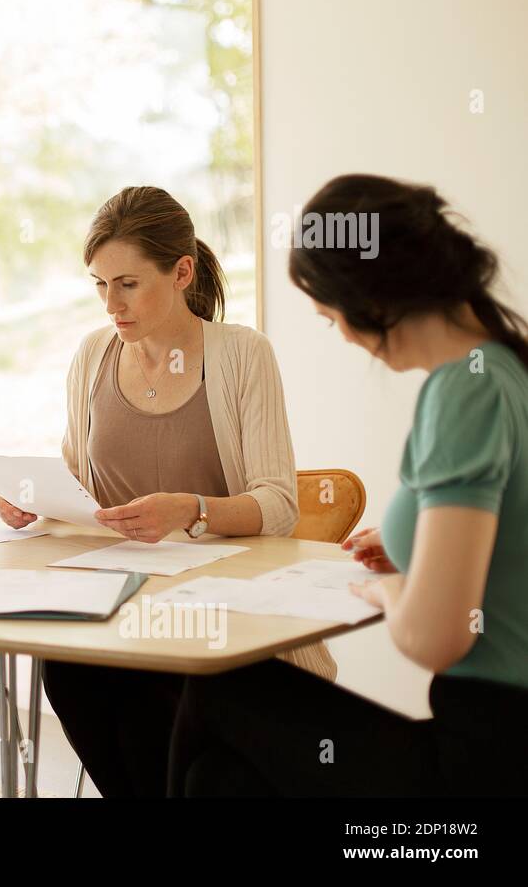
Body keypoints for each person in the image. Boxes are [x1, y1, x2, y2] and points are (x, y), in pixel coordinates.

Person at [165, 173, 528, 796]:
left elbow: (438, 637)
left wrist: (389, 589)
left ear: (370, 298)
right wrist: (418, 555)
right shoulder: (507, 369)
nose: (339, 332)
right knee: (217, 782)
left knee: (219, 683)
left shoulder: (464, 392)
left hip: (479, 767)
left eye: (329, 315)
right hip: (495, 745)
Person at [0, 185, 328, 797]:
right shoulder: (93, 356)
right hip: (114, 599)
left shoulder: (242, 355)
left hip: (215, 608)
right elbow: (73, 477)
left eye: (128, 283)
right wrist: (22, 497)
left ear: (181, 272)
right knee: (67, 670)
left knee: (153, 710)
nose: (110, 304)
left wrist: (193, 510)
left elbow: (278, 504)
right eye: (98, 284)